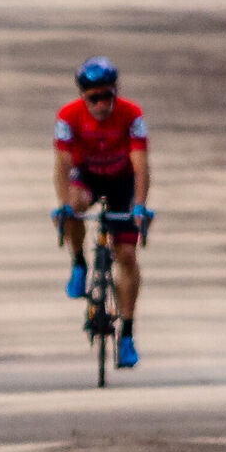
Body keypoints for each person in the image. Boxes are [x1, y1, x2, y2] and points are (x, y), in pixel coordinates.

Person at [53, 56, 151, 369]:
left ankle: (127, 335)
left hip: (122, 180)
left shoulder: (131, 114)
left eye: (107, 95)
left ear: (115, 92)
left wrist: (139, 205)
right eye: (93, 98)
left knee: (126, 256)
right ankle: (79, 262)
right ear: (83, 97)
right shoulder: (68, 117)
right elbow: (62, 164)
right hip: (88, 177)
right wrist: (64, 204)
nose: (101, 104)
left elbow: (140, 163)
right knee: (75, 205)